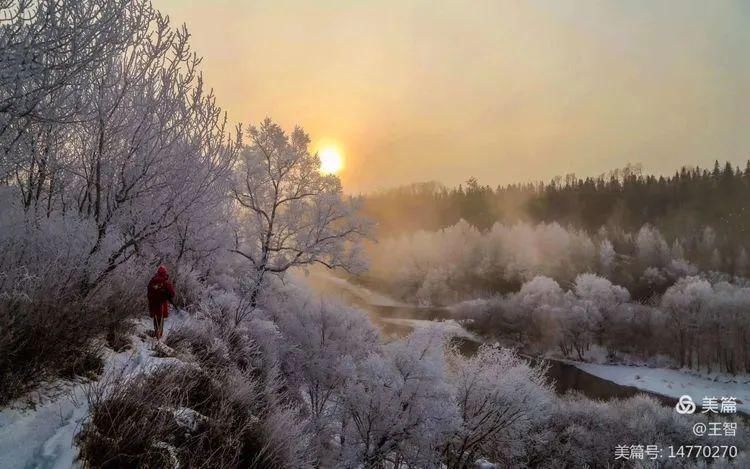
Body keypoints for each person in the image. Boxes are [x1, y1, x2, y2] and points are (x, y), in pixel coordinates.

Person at [147, 265, 175, 341]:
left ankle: (156, 333)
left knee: (155, 317)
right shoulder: (165, 282)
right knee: (161, 318)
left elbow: (148, 292)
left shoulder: (152, 281)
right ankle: (159, 336)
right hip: (162, 303)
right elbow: (172, 293)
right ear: (165, 273)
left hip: (153, 303)